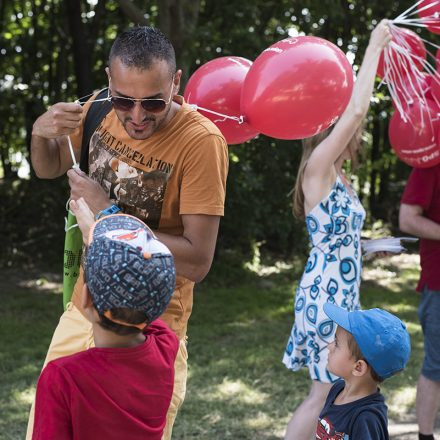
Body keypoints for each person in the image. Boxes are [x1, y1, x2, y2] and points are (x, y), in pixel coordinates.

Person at [29, 26, 228, 439]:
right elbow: (46, 168)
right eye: (124, 99)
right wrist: (40, 132)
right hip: (85, 308)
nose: (137, 116)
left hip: (151, 331)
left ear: (176, 82)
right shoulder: (98, 109)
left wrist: (109, 214)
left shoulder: (201, 142)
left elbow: (198, 259)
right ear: (108, 82)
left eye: (153, 102)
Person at [282, 20, 392, 440]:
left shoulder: (339, 179)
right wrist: (374, 45)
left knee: (328, 389)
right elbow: (360, 108)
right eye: (347, 121)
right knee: (325, 390)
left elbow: (338, 239)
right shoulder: (318, 170)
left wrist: (369, 247)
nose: (357, 127)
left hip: (340, 290)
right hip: (326, 293)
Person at [33, 199, 178, 440]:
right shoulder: (165, 347)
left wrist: (94, 238)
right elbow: (143, 297)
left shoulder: (62, 378)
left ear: (86, 298)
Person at [316, 303, 411, 439]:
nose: (329, 346)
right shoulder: (337, 390)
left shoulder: (366, 418)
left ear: (358, 367)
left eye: (336, 343)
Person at [399, 163, 440, 440]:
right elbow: (408, 218)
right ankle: (425, 436)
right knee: (437, 366)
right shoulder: (431, 164)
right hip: (439, 284)